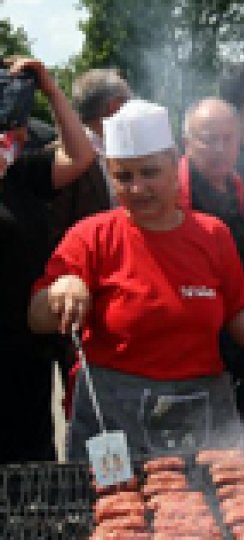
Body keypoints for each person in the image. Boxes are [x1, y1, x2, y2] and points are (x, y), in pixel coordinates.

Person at [28, 99, 244, 460]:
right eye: (124, 176)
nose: (138, 188)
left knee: (212, 509)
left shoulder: (212, 235)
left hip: (201, 412)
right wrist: (64, 288)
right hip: (114, 417)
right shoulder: (90, 236)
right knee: (115, 512)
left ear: (174, 165)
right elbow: (37, 318)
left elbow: (237, 309)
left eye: (149, 172)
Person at [0, 56, 96, 464]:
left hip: (26, 351)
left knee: (31, 467)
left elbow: (81, 155)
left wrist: (52, 91)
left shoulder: (21, 174)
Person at [181, 97, 244, 430]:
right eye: (208, 139)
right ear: (188, 143)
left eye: (228, 138)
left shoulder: (239, 188)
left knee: (241, 436)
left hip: (242, 335)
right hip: (199, 345)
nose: (219, 148)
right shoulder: (175, 196)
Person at [49, 68, 131, 247]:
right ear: (115, 107)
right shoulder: (62, 160)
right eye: (129, 104)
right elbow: (55, 233)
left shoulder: (130, 152)